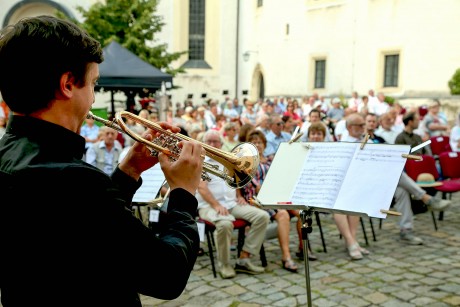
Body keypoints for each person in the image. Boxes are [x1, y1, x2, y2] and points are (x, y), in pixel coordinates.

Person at [0, 16, 204, 306]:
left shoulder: (6, 156)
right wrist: (183, 193)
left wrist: (128, 171)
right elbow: (166, 274)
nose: (93, 100)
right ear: (68, 84)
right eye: (93, 84)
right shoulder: (77, 181)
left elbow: (83, 232)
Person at [196, 130, 270, 279]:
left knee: (262, 216)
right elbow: (202, 188)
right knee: (225, 224)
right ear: (203, 143)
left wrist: (239, 196)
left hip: (231, 203)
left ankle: (244, 257)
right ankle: (224, 264)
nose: (212, 144)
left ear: (221, 144)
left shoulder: (228, 159)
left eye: (215, 141)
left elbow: (234, 181)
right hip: (208, 206)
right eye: (208, 141)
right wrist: (216, 205)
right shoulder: (200, 161)